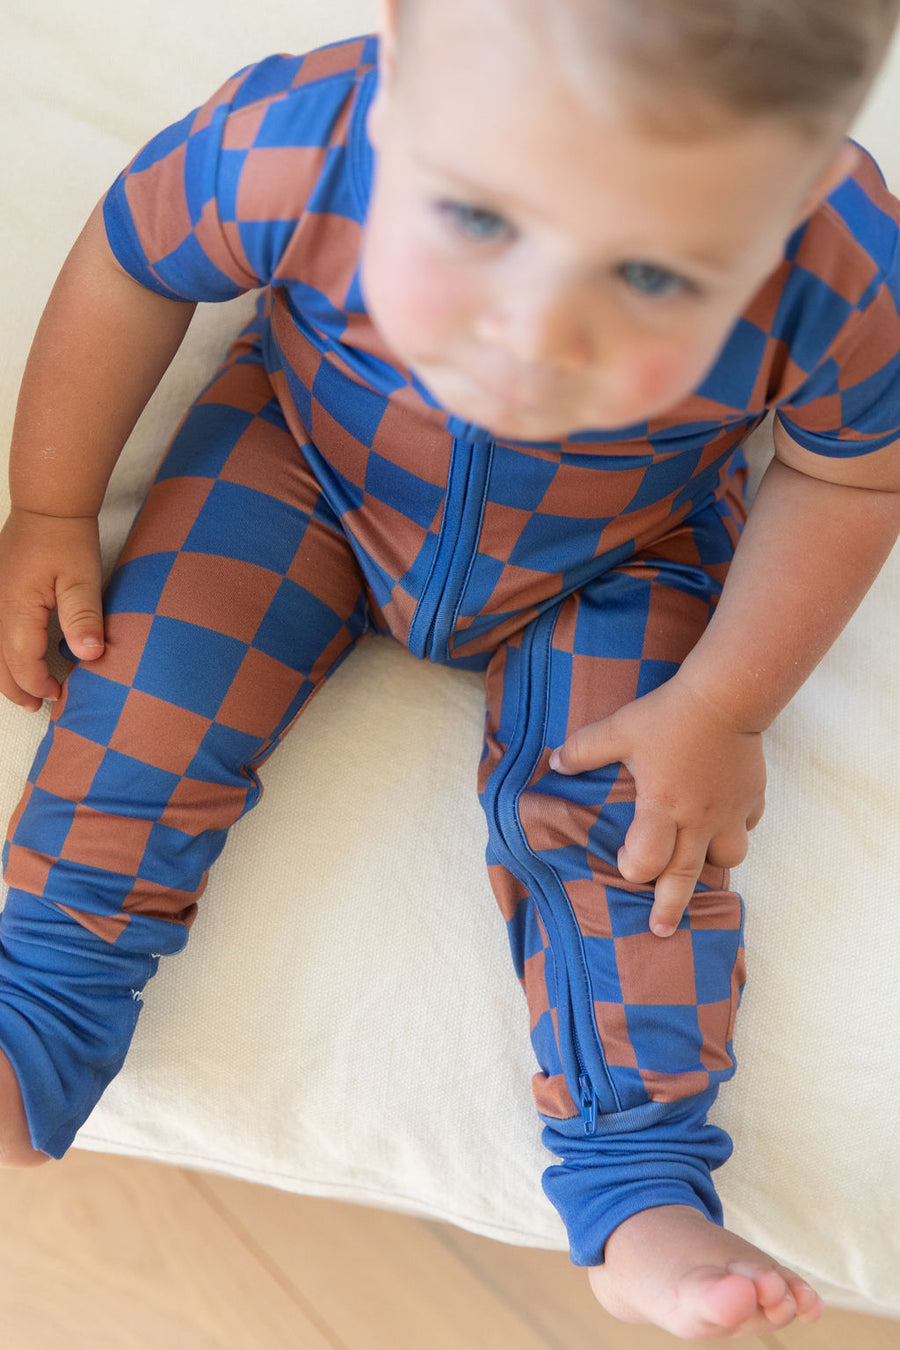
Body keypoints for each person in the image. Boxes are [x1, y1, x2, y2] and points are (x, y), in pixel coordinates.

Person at [1, 0, 898, 1336]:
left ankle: (638, 1174)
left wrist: (724, 700)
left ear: (806, 171)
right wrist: (55, 504)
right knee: (150, 701)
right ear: (401, 52)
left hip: (619, 544)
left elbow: (847, 470)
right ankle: (39, 1013)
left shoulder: (841, 260)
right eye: (475, 220)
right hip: (302, 461)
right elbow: (136, 259)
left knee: (638, 842)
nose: (532, 334)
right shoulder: (298, 133)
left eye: (654, 276)